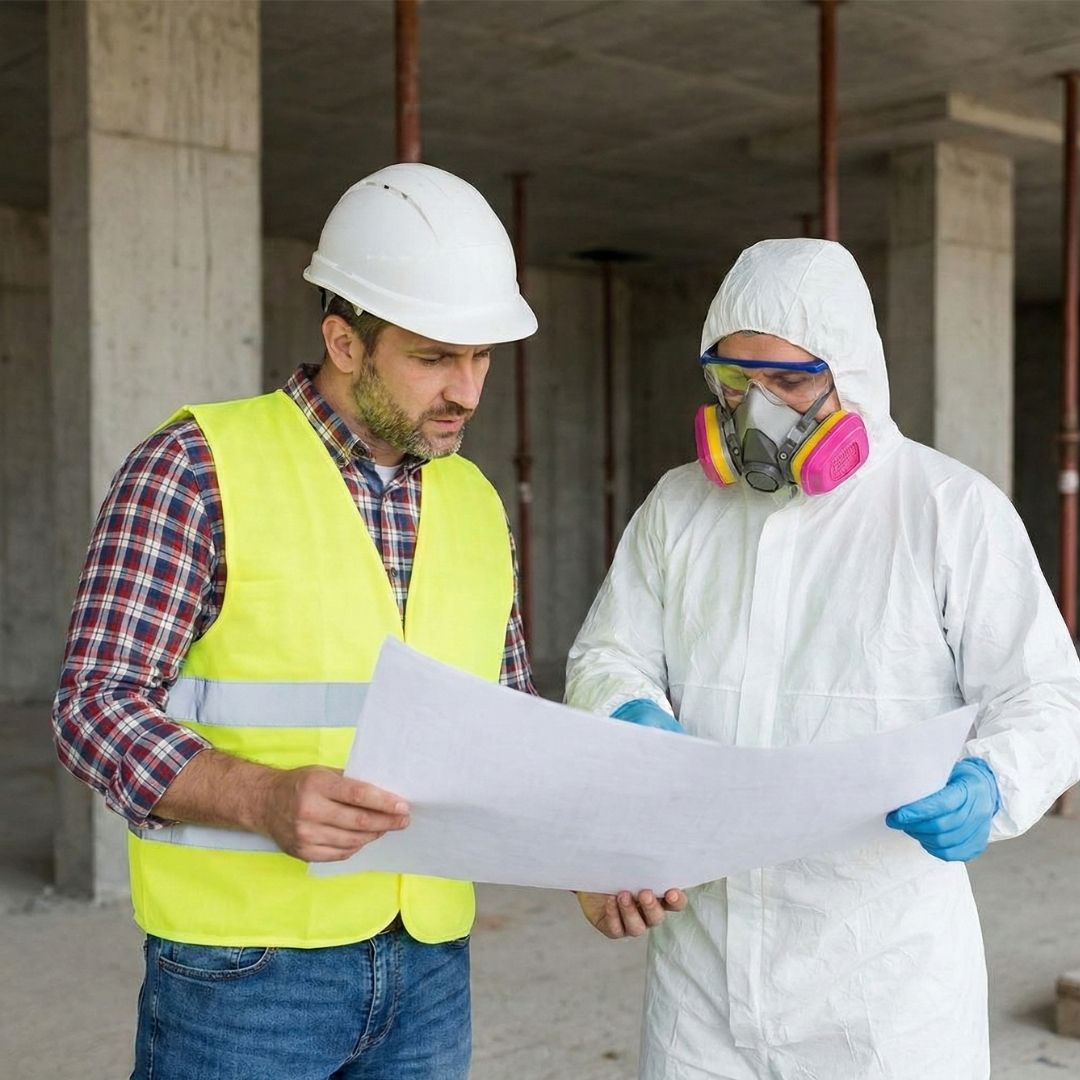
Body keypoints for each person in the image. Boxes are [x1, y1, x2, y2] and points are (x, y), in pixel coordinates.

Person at [53, 163, 540, 1080]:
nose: (467, 392)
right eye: (434, 357)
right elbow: (93, 705)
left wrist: (601, 847)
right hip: (244, 973)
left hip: (432, 964)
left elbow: (505, 720)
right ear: (344, 340)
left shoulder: (474, 499)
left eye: (480, 358)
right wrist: (262, 797)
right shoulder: (196, 465)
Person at [565, 237, 1080, 1079]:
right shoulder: (679, 507)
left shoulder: (948, 511)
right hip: (703, 979)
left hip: (883, 990)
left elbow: (1048, 696)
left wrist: (992, 782)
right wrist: (627, 711)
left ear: (855, 379)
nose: (758, 410)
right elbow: (607, 651)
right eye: (736, 382)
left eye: (791, 381)